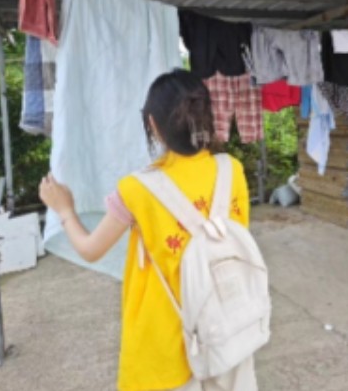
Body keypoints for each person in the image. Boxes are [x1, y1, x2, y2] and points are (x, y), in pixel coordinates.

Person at [39, 69, 257, 391]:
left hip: (162, 346)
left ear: (153, 125)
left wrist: (65, 210)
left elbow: (90, 250)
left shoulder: (136, 190)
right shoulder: (232, 170)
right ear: (207, 117)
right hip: (224, 331)